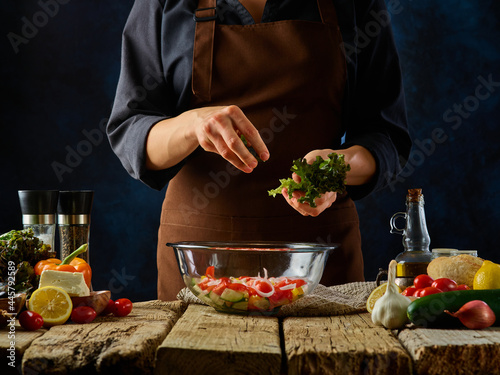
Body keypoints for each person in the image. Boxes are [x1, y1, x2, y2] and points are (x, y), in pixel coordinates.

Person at [107, 0, 412, 301]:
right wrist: (191, 125)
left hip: (319, 265)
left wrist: (337, 169)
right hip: (200, 267)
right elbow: (131, 131)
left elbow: (387, 136)